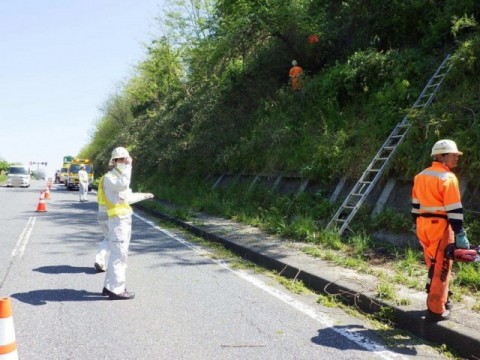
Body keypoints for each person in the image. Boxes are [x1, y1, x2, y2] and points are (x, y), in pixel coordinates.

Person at [411, 139, 469, 321]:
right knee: (442, 267)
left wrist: (418, 224)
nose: (456, 159)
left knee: (433, 264)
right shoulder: (448, 178)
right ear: (441, 156)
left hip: (422, 225)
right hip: (440, 226)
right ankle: (436, 309)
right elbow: (454, 210)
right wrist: (459, 232)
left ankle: (444, 296)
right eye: (454, 155)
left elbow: (415, 206)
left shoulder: (420, 176)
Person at [101, 147, 154, 300]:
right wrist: (129, 166)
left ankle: (109, 286)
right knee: (120, 256)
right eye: (121, 159)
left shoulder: (119, 176)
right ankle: (116, 290)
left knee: (118, 254)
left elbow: (127, 197)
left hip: (123, 221)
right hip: (117, 222)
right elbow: (123, 185)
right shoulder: (110, 177)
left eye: (126, 158)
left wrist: (144, 195)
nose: (124, 161)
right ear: (114, 161)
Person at [94, 159, 153, 273]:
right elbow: (126, 197)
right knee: (115, 242)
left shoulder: (105, 178)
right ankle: (109, 267)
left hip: (102, 213)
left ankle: (100, 260)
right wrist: (144, 195)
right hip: (113, 214)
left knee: (109, 238)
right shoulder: (115, 180)